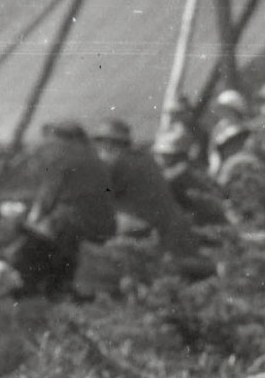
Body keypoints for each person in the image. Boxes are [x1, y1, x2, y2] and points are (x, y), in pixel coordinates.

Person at [92, 119, 212, 266]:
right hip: (172, 228)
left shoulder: (117, 163)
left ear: (109, 144)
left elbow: (100, 196)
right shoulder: (143, 158)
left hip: (149, 232)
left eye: (101, 143)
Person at [22, 121, 115, 295]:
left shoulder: (61, 158)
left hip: (75, 224)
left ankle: (35, 287)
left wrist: (31, 222)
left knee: (34, 240)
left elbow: (47, 197)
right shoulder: (94, 157)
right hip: (105, 224)